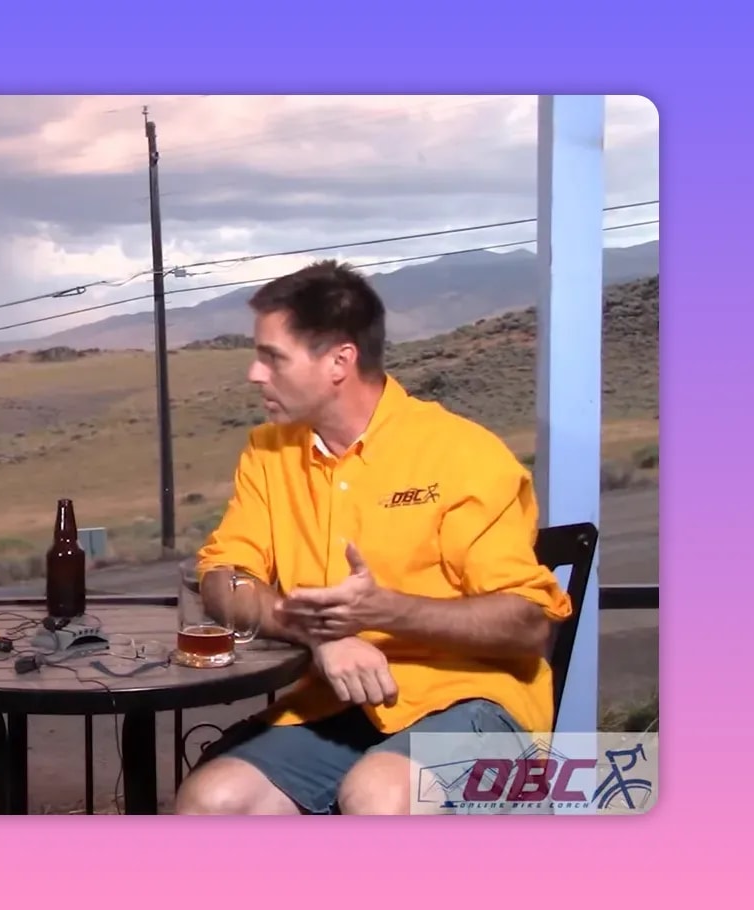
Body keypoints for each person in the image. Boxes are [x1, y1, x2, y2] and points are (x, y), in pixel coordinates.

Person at [174, 259, 572, 816]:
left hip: (475, 700)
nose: (254, 374)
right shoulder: (268, 453)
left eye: (272, 357)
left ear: (339, 361)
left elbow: (530, 624)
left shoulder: (462, 454)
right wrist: (320, 633)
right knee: (213, 801)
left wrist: (385, 609)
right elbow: (223, 577)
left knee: (381, 792)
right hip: (340, 706)